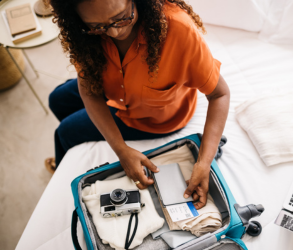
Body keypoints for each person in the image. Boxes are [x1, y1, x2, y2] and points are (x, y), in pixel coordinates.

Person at [47, 0, 230, 209]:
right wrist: (121, 150)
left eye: (122, 17)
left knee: (64, 133)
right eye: (98, 27)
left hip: (154, 118)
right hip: (113, 91)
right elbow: (89, 91)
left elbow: (220, 94)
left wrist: (204, 162)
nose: (114, 33)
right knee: (56, 100)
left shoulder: (179, 30)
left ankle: (59, 169)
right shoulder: (84, 33)